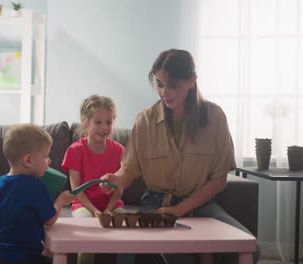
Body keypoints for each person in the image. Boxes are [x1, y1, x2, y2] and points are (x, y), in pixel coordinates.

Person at [100, 49, 259, 264]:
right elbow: (128, 170)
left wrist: (178, 210)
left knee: (251, 247)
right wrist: (115, 180)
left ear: (192, 81)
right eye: (159, 84)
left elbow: (219, 179)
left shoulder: (215, 117)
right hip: (155, 204)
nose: (165, 92)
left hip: (201, 204)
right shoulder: (144, 120)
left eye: (173, 85)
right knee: (149, 248)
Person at [0, 123, 75, 264]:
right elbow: (49, 221)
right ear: (28, 160)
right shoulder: (36, 186)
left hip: (2, 256)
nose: (49, 161)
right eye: (45, 156)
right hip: (28, 257)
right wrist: (60, 201)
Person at [62, 95, 126, 264]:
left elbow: (120, 187)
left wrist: (108, 210)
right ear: (85, 122)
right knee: (87, 235)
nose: (104, 127)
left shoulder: (119, 150)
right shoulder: (75, 150)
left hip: (112, 205)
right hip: (84, 205)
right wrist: (96, 212)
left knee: (128, 234)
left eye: (109, 122)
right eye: (98, 122)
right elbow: (77, 190)